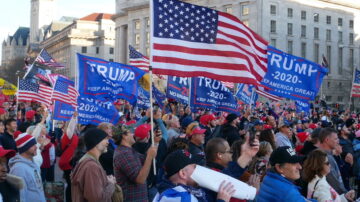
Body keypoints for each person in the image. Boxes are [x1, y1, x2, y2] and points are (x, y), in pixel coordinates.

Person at [153, 149, 236, 202]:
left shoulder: (187, 188)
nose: (199, 168)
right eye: (195, 166)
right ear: (183, 174)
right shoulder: (178, 198)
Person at [113, 125, 158, 202]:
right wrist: (149, 157)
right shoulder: (124, 154)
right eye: (130, 132)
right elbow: (140, 179)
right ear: (124, 136)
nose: (133, 134)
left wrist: (156, 142)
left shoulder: (129, 150)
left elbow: (144, 159)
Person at [70, 128, 115, 202]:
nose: (108, 142)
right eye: (105, 139)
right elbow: (97, 200)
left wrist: (104, 180)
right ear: (96, 142)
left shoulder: (90, 161)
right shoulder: (91, 166)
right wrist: (111, 184)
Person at [8, 133, 46, 202]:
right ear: (25, 148)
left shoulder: (32, 163)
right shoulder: (19, 169)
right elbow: (20, 197)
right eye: (33, 145)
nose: (36, 147)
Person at [317, 128, 347, 194]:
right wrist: (345, 195)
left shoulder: (327, 154)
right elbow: (334, 183)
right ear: (327, 140)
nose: (338, 141)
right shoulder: (325, 157)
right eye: (336, 139)